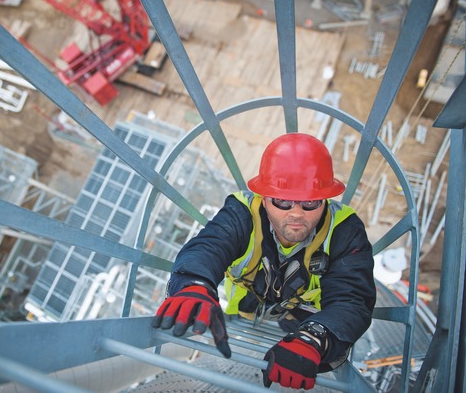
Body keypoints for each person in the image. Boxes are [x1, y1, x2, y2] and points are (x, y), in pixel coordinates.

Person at [152, 133, 376, 390]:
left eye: (310, 202)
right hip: (247, 312)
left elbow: (352, 297)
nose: (296, 213)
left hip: (302, 322)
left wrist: (314, 338)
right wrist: (194, 284)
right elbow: (209, 247)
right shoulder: (243, 213)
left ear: (325, 199)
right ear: (263, 196)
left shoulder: (344, 229)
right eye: (282, 201)